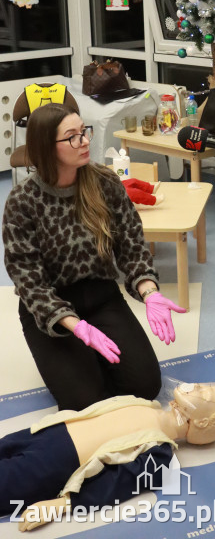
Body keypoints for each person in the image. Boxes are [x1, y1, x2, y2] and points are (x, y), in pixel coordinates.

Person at [2, 103, 186, 412]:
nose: (85, 141)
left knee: (145, 386)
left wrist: (149, 291)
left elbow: (132, 246)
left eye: (83, 131)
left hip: (101, 296)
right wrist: (76, 326)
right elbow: (29, 281)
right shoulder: (22, 202)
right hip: (50, 309)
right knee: (85, 402)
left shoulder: (104, 183)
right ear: (47, 146)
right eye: (72, 137)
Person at [0, 382, 215, 529]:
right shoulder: (147, 404)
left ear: (202, 421)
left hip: (52, 465)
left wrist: (63, 503)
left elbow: (117, 484)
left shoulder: (160, 455)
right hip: (46, 432)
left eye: (203, 393)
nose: (197, 386)